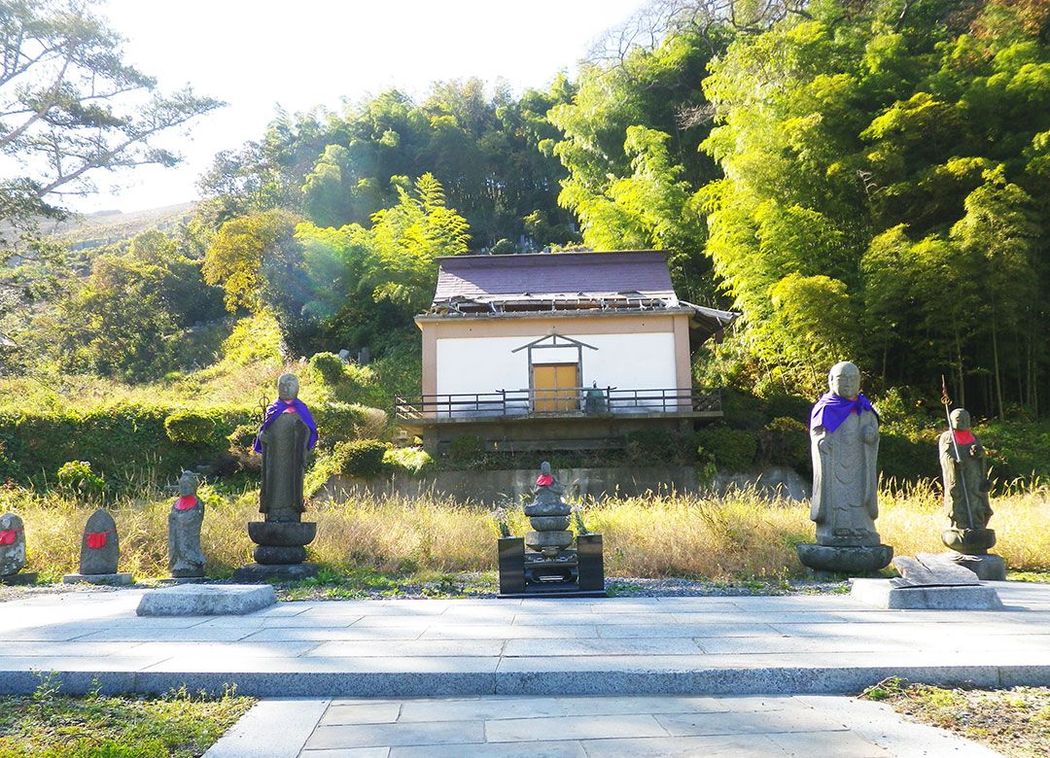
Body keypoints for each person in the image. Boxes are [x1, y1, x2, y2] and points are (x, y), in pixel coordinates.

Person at [809, 361, 881, 546]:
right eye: (843, 379)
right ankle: (837, 526)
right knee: (839, 495)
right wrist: (822, 442)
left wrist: (871, 436)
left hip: (859, 460)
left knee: (858, 494)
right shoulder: (826, 407)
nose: (848, 383)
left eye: (853, 378)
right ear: (831, 380)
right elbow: (817, 434)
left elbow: (873, 431)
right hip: (835, 461)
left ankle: (862, 526)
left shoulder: (864, 408)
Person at [255, 373, 317, 522]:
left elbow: (310, 431)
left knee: (293, 485)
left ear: (297, 388)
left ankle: (292, 513)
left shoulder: (301, 409)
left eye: (289, 386)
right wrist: (263, 437)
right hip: (275, 458)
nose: (285, 389)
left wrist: (302, 433)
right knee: (274, 485)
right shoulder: (273, 409)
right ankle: (273, 513)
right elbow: (264, 431)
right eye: (282, 385)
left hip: (294, 458)